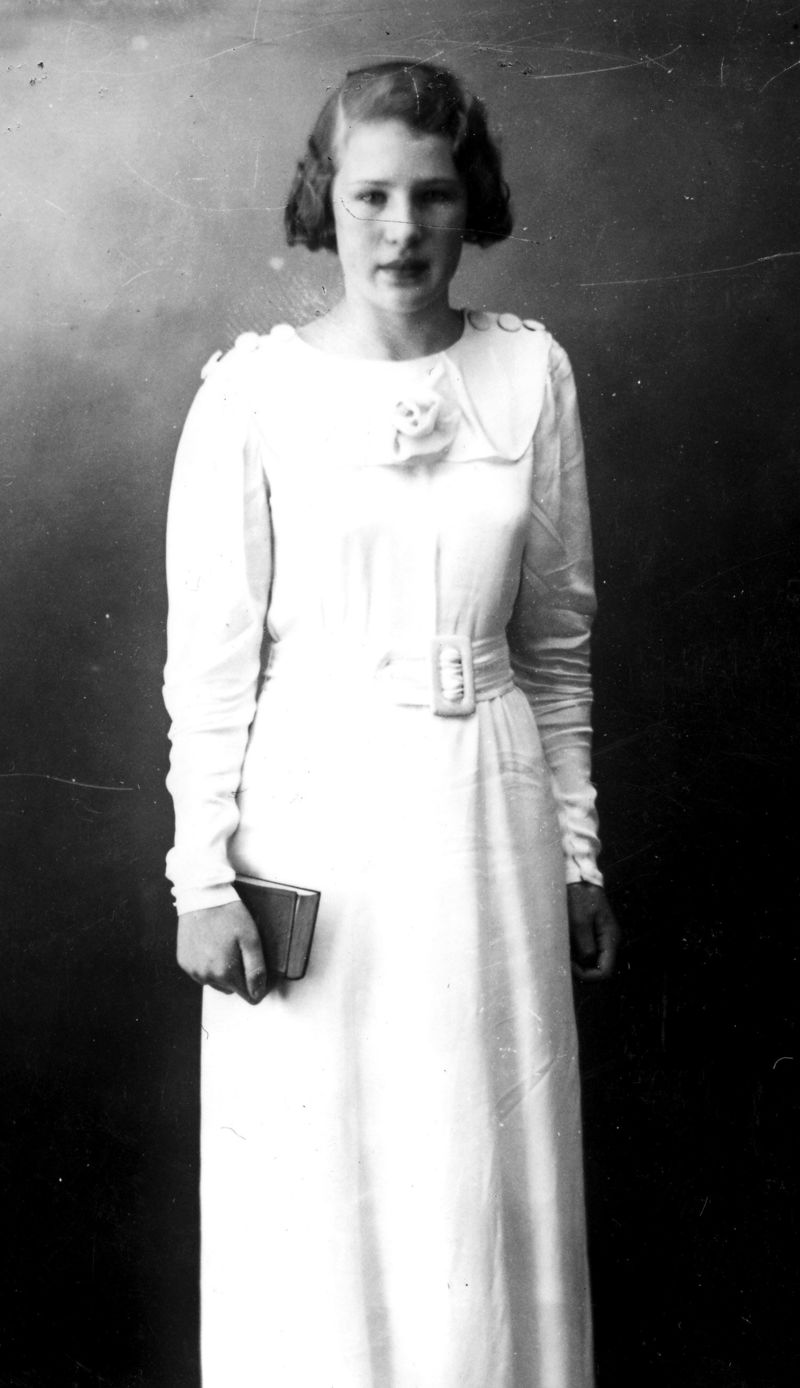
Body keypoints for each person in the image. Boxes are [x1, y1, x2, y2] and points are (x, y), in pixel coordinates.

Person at [163, 59, 621, 1388]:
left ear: (471, 204)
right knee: (319, 1181)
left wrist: (578, 856)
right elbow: (210, 670)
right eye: (371, 196)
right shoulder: (252, 395)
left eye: (432, 196)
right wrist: (201, 881)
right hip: (315, 826)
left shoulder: (530, 376)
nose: (402, 229)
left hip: (488, 824)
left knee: (481, 1174)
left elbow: (558, 648)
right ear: (327, 201)